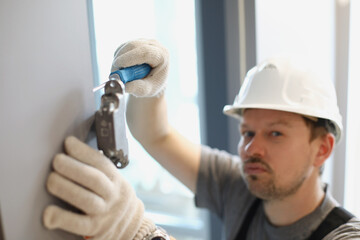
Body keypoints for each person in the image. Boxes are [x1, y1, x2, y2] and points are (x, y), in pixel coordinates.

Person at [43, 39, 360, 240]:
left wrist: (138, 233)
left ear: (322, 149)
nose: (251, 148)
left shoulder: (345, 235)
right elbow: (157, 135)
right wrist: (154, 90)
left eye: (275, 133)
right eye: (247, 132)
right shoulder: (241, 186)